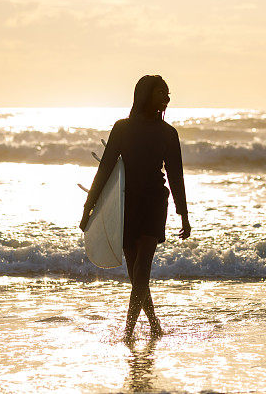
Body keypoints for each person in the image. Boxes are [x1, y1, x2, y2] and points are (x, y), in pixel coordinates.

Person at [80, 75, 191, 343]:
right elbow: (105, 169)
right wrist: (89, 208)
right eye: (160, 93)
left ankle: (128, 331)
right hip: (126, 203)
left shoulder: (168, 133)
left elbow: (176, 175)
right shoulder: (122, 128)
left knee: (142, 269)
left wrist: (183, 214)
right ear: (144, 95)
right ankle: (154, 326)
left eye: (168, 93)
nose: (166, 98)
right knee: (135, 274)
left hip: (154, 202)